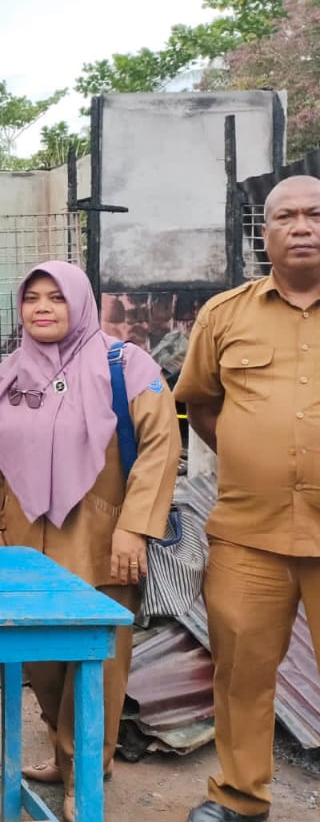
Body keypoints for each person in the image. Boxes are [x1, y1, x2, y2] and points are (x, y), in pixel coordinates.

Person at [0, 261, 180, 822]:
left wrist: (135, 527)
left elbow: (162, 445)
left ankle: (85, 768)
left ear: (80, 304)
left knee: (98, 662)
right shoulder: (8, 376)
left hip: (102, 538)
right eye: (32, 298)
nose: (43, 308)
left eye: (56, 298)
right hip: (25, 545)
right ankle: (67, 755)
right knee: (41, 660)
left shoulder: (126, 365)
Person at [174, 174, 320, 822]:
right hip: (248, 533)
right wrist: (248, 448)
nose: (303, 226)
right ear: (266, 234)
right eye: (286, 216)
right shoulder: (225, 314)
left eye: (316, 214)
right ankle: (241, 798)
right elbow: (202, 404)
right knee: (241, 673)